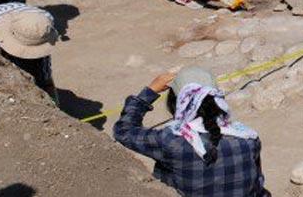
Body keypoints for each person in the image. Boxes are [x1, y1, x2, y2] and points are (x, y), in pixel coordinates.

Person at [113, 67, 269, 197]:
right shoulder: (248, 138)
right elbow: (257, 186)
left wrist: (149, 92)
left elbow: (123, 131)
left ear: (175, 102)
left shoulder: (172, 141)